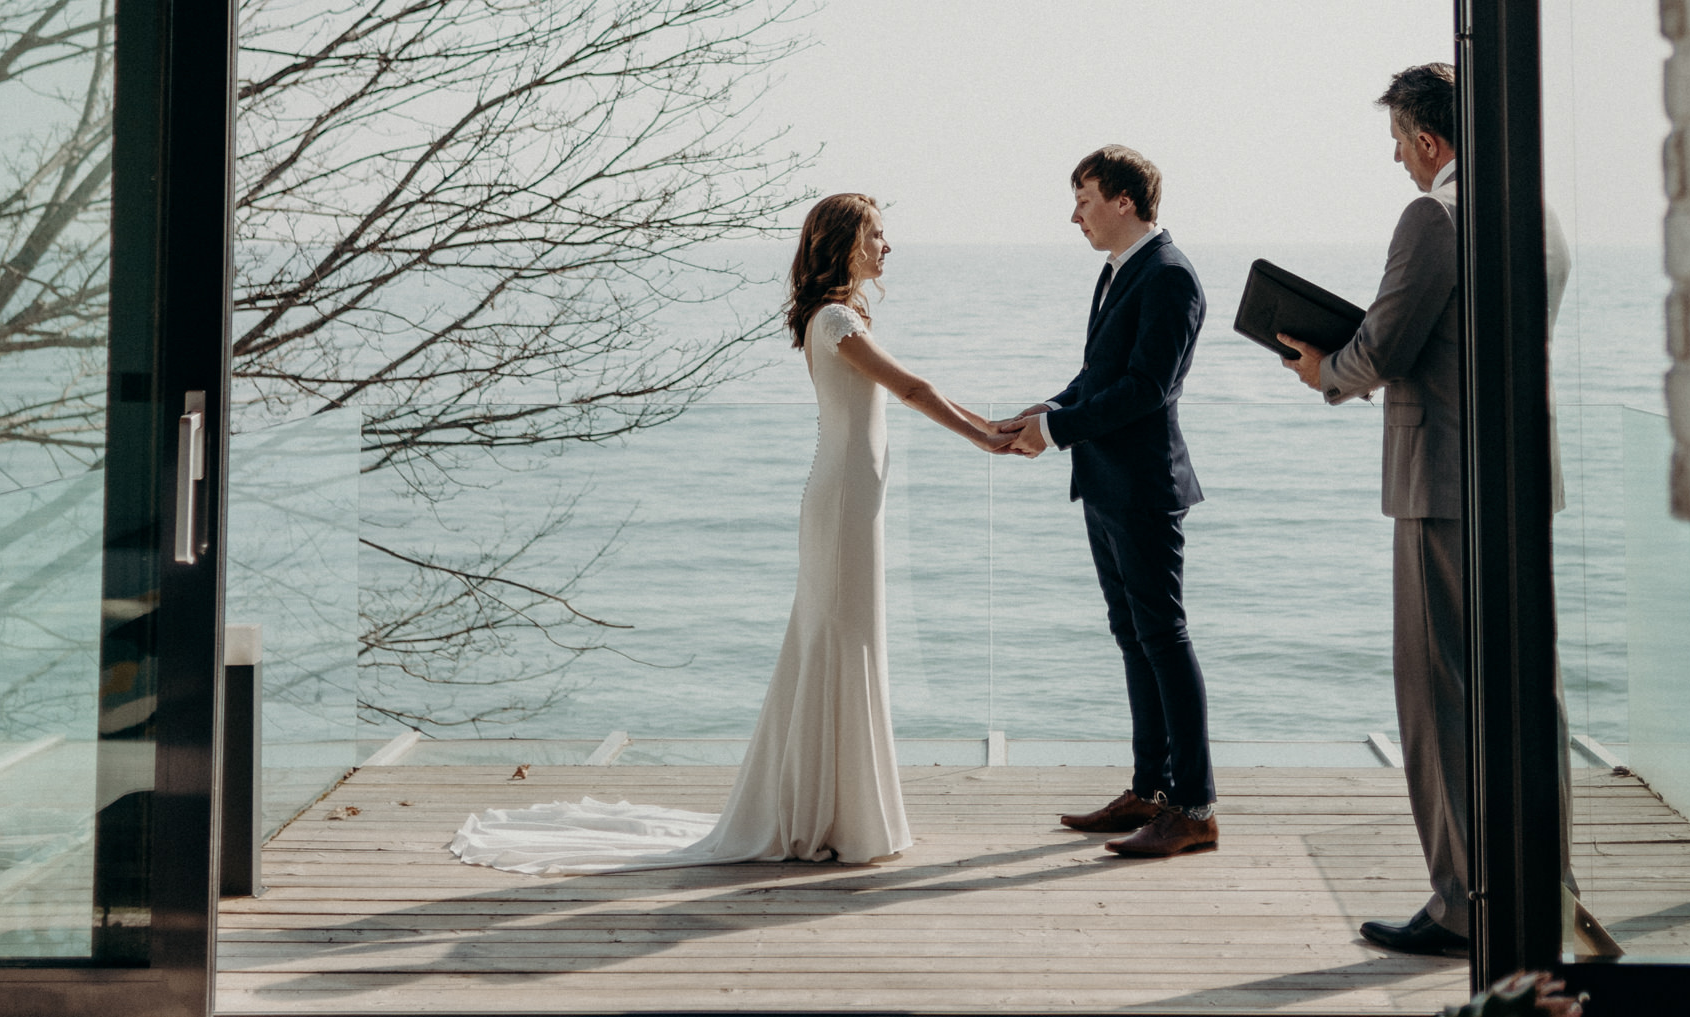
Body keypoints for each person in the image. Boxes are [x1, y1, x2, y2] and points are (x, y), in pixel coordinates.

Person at [447, 193, 1002, 877]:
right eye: (877, 234)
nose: (889, 245)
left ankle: (834, 810)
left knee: (843, 641)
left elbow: (915, 390)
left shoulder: (841, 316)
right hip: (842, 507)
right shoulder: (833, 320)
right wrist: (985, 437)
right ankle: (826, 815)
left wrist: (993, 425)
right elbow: (914, 390)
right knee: (836, 641)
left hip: (856, 505)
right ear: (843, 244)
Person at [1281, 64, 1468, 955]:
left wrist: (1327, 372)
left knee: (1438, 697)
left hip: (1440, 481)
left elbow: (1388, 341)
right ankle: (1541, 882)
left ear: (1428, 141)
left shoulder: (1433, 216)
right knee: (1521, 697)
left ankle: (1463, 902)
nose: (1397, 160)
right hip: (1514, 480)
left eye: (1398, 142)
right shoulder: (1532, 213)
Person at [995, 144, 1217, 861]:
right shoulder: (1121, 270)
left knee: (1164, 637)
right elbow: (1102, 373)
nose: (1075, 215)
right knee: (1134, 635)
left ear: (1125, 200)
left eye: (1084, 199)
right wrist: (1052, 404)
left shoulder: (1171, 275)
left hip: (1146, 487)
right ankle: (1150, 790)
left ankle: (1195, 807)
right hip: (1105, 484)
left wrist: (1055, 430)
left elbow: (1148, 387)